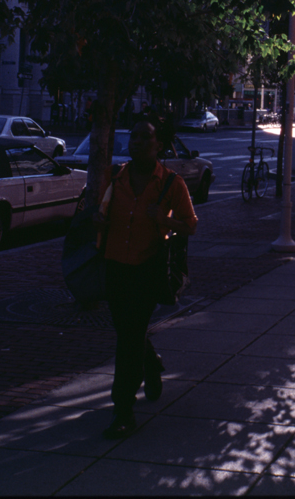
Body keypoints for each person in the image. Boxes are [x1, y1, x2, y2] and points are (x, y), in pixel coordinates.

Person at [91, 120, 197, 439]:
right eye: (133, 136)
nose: (136, 142)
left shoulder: (171, 183)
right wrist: (95, 216)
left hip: (147, 268)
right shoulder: (115, 176)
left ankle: (123, 411)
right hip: (114, 265)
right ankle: (150, 365)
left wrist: (162, 219)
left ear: (157, 146)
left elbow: (190, 226)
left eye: (144, 138)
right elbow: (94, 209)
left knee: (128, 340)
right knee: (127, 331)